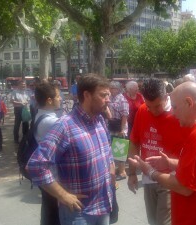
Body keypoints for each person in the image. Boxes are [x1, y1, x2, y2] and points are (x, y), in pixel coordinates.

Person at [129, 81, 196, 225]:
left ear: (189, 102)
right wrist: (171, 163)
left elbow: (184, 188)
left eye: (175, 107)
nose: (173, 113)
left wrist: (150, 171)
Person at [27, 74, 115, 225]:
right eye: (103, 95)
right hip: (79, 214)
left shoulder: (100, 120)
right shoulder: (65, 126)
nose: (108, 99)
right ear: (87, 95)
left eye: (108, 95)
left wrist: (112, 170)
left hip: (103, 206)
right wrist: (63, 195)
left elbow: (107, 152)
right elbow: (36, 165)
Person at [128, 78, 186, 225]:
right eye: (149, 106)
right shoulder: (142, 110)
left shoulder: (178, 113)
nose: (153, 111)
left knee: (163, 222)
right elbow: (134, 141)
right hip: (148, 177)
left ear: (167, 97)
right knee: (153, 221)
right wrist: (132, 173)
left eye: (157, 106)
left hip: (169, 179)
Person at [33, 82, 62, 225]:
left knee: (48, 208)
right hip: (53, 174)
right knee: (53, 212)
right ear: (49, 100)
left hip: (49, 173)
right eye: (58, 96)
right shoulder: (52, 122)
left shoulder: (40, 115)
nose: (60, 99)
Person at [108, 81, 129, 180]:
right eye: (111, 88)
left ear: (118, 89)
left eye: (114, 88)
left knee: (121, 150)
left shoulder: (122, 99)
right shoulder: (110, 97)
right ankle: (118, 169)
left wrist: (122, 129)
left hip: (119, 126)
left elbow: (124, 115)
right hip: (111, 126)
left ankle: (123, 172)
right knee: (114, 149)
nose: (112, 90)